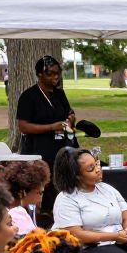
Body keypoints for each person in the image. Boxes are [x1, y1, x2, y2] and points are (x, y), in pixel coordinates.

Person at [15, 55, 77, 221]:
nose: (55, 77)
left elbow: (69, 112)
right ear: (39, 74)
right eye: (50, 74)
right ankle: (40, 217)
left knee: (61, 181)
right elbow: (23, 126)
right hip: (38, 149)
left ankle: (59, 214)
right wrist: (51, 127)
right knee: (43, 183)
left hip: (60, 147)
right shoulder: (29, 96)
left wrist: (71, 119)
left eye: (57, 73)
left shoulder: (59, 94)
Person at [0, 159, 50, 235]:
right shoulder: (19, 216)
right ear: (22, 193)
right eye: (39, 193)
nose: (40, 199)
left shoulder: (4, 211)